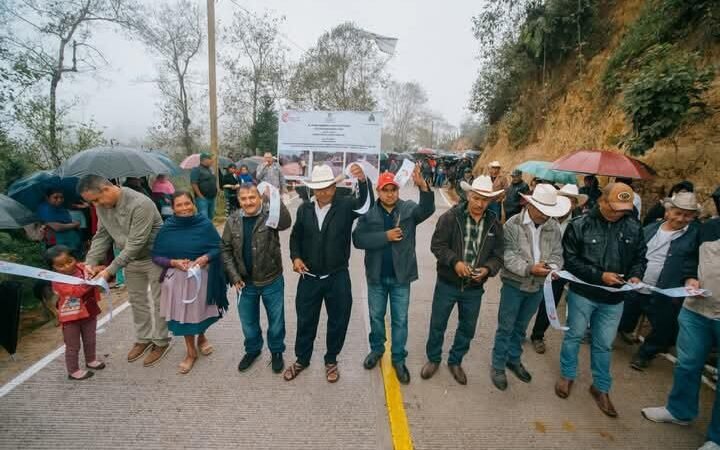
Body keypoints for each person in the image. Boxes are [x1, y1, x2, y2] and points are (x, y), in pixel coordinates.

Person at [555, 182, 647, 418]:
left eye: (623, 209)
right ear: (602, 201)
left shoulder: (633, 227)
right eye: (614, 207)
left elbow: (640, 258)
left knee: (604, 344)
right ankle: (567, 375)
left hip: (614, 300)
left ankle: (601, 387)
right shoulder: (580, 225)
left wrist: (636, 275)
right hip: (582, 294)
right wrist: (599, 276)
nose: (618, 213)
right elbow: (571, 260)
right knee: (574, 336)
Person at [641, 203, 720, 450]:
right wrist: (690, 277)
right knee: (687, 364)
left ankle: (716, 438)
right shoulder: (708, 228)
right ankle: (679, 411)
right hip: (696, 309)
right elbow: (690, 257)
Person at [284, 163, 371, 383]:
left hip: (337, 276)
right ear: (312, 189)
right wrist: (296, 258)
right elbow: (295, 237)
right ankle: (302, 359)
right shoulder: (304, 209)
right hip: (309, 278)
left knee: (338, 320)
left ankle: (331, 359)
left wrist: (363, 181)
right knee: (305, 320)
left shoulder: (345, 206)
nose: (324, 192)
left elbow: (365, 207)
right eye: (319, 188)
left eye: (328, 187)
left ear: (334, 187)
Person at [353, 166, 435, 384]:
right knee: (376, 318)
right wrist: (385, 236)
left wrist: (424, 187)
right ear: (378, 191)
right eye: (385, 190)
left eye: (393, 189)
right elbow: (358, 239)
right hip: (376, 277)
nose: (390, 193)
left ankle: (398, 358)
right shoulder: (369, 213)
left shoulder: (408, 210)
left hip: (401, 278)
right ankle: (377, 350)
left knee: (400, 320)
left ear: (398, 191)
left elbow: (427, 209)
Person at [420, 176, 504, 385]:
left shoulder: (494, 223)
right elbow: (437, 246)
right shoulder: (450, 217)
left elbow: (498, 255)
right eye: (476, 198)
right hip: (447, 283)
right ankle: (433, 358)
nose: (480, 204)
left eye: (485, 200)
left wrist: (487, 269)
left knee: (468, 327)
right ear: (468, 195)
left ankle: (455, 361)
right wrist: (455, 262)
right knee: (438, 324)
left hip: (475, 288)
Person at [79, 175, 170, 367]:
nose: (96, 204)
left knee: (159, 300)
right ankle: (144, 338)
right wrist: (90, 262)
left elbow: (136, 243)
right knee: (137, 301)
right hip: (130, 261)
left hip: (155, 256)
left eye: (96, 199)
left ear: (106, 189)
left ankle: (161, 341)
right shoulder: (102, 206)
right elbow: (102, 235)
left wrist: (109, 270)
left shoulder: (140, 203)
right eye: (92, 202)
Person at [490, 184, 569, 391]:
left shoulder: (553, 227)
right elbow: (507, 255)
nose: (545, 215)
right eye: (543, 210)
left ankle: (513, 359)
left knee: (521, 327)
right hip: (514, 285)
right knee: (506, 326)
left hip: (537, 286)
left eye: (549, 212)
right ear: (531, 205)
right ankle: (498, 365)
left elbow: (557, 255)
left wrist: (551, 267)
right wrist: (529, 269)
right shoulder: (512, 224)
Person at [617, 192, 700, 370]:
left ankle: (645, 354)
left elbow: (693, 262)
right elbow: (635, 251)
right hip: (638, 282)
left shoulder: (694, 236)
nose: (681, 218)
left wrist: (690, 278)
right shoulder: (650, 228)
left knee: (662, 325)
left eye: (687, 215)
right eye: (678, 213)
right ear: (668, 211)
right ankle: (624, 330)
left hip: (665, 289)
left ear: (693, 217)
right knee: (626, 312)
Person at [151, 191, 229, 374]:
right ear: (173, 208)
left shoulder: (205, 224)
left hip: (202, 277)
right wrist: (173, 262)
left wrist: (206, 257)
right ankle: (191, 352)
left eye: (187, 203)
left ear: (193, 204)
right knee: (185, 317)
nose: (184, 208)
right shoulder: (167, 228)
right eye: (179, 205)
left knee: (200, 313)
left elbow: (219, 247)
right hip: (178, 279)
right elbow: (156, 255)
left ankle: (201, 337)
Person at [222, 183, 291, 374]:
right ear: (239, 200)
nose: (248, 202)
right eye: (243, 198)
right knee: (248, 322)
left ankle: (276, 351)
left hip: (272, 280)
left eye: (252, 197)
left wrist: (274, 199)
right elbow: (225, 249)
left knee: (276, 321)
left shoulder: (270, 214)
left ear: (259, 197)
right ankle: (252, 350)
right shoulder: (232, 220)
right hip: (245, 283)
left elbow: (286, 222)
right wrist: (234, 276)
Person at [530, 184, 588, 353]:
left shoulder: (580, 223)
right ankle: (517, 332)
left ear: (576, 204)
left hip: (560, 272)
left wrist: (559, 267)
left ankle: (538, 335)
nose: (567, 203)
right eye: (564, 198)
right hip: (536, 265)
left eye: (571, 201)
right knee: (527, 301)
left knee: (550, 303)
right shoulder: (545, 215)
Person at [47, 245, 105, 380]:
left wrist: (99, 270)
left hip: (89, 311)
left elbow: (90, 269)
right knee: (73, 345)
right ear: (53, 268)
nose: (67, 266)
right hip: (70, 317)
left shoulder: (81, 267)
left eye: (69, 261)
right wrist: (91, 282)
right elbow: (75, 292)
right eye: (61, 266)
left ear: (75, 258)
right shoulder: (57, 280)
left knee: (90, 339)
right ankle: (73, 371)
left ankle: (91, 360)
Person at [36, 188, 82, 256]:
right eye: (55, 197)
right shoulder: (45, 209)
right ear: (47, 198)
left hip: (69, 243)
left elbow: (67, 220)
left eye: (61, 197)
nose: (59, 200)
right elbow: (57, 227)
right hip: (57, 245)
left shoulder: (60, 208)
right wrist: (75, 224)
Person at [190, 153, 218, 220]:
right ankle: (202, 230)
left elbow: (213, 181)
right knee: (203, 218)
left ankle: (208, 230)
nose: (212, 161)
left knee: (211, 216)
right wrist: (200, 196)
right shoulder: (196, 169)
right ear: (204, 160)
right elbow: (194, 183)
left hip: (212, 198)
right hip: (202, 199)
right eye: (210, 159)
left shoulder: (210, 170)